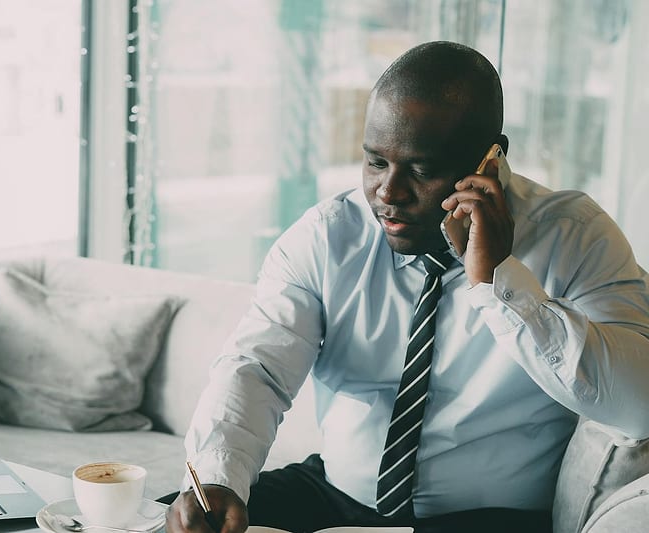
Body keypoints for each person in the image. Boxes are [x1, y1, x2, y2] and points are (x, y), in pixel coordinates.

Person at [163, 41, 649, 533]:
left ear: (490, 158)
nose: (388, 194)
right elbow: (258, 367)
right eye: (376, 162)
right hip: (336, 494)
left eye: (421, 170)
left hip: (490, 518)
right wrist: (218, 477)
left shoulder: (576, 235)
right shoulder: (328, 236)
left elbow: (638, 404)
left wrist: (497, 281)